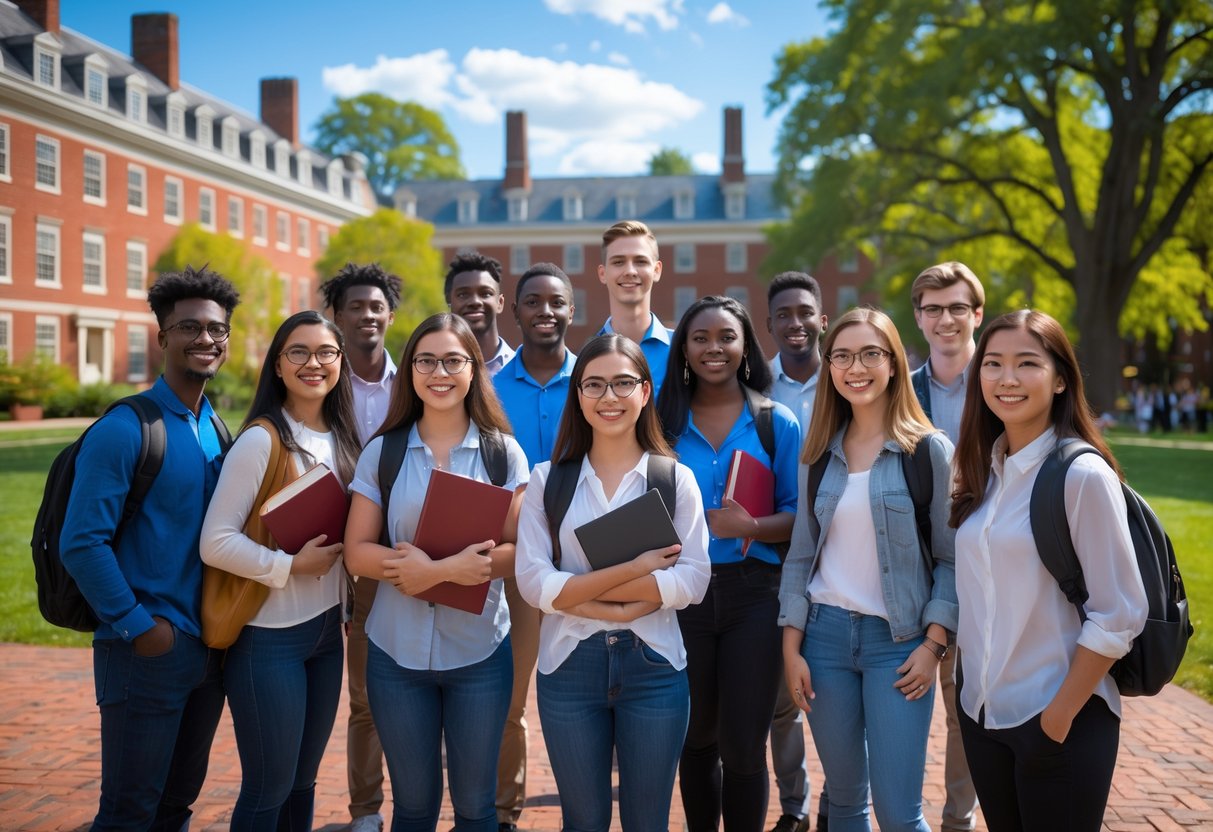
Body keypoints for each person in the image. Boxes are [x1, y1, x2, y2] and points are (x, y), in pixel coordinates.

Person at [949, 310, 1148, 831]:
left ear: (1061, 379)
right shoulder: (981, 470)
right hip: (982, 715)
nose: (1006, 378)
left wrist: (1057, 718)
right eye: (992, 363)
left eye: (1027, 363)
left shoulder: (1081, 475)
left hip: (1058, 719)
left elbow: (1120, 613)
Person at [61, 265, 239, 831]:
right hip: (144, 649)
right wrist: (141, 628)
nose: (206, 339)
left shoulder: (217, 426)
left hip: (209, 651)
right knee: (127, 811)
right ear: (162, 337)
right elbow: (81, 542)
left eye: (217, 329)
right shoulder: (126, 428)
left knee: (175, 806)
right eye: (190, 327)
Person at [515, 333, 711, 831]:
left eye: (623, 383)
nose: (609, 397)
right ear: (577, 396)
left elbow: (693, 581)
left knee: (648, 823)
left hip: (655, 666)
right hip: (569, 668)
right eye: (594, 385)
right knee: (583, 823)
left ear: (645, 392)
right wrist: (637, 571)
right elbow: (534, 584)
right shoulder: (547, 481)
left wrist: (582, 590)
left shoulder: (673, 479)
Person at [345, 313, 530, 831]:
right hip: (395, 655)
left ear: (474, 369)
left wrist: (442, 571)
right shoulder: (385, 452)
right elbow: (357, 551)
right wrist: (431, 571)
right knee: (414, 808)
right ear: (410, 372)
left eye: (453, 360)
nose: (439, 372)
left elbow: (523, 550)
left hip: (479, 656)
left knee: (475, 809)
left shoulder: (502, 453)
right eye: (426, 360)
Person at [780, 307, 957, 832]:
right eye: (842, 355)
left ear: (895, 363)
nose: (856, 367)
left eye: (870, 354)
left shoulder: (927, 451)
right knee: (847, 806)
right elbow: (800, 558)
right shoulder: (818, 455)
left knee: (899, 814)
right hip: (824, 642)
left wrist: (933, 647)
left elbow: (950, 559)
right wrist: (790, 649)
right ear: (829, 366)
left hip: (899, 646)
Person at [200, 310, 360, 830]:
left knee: (303, 781)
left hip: (324, 634)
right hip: (268, 640)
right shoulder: (261, 441)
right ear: (277, 364)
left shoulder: (342, 437)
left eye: (326, 353)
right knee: (268, 787)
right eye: (299, 352)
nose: (314, 363)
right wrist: (289, 565)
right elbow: (215, 542)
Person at [657, 296, 801, 832]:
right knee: (695, 738)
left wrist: (752, 528)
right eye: (700, 338)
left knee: (744, 745)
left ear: (744, 346)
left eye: (726, 337)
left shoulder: (775, 422)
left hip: (754, 596)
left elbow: (798, 517)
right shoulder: (661, 423)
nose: (713, 348)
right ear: (684, 350)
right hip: (683, 594)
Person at [491, 262, 577, 832]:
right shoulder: (488, 390)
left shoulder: (598, 378)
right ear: (514, 311)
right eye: (533, 302)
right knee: (510, 704)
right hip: (517, 563)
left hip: (593, 559)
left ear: (572, 309)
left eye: (556, 301)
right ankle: (503, 813)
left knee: (582, 701)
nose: (545, 311)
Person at [321, 262, 403, 832]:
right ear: (337, 315)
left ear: (390, 316)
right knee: (363, 694)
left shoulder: (415, 382)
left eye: (376, 307)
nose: (367, 315)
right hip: (329, 550)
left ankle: (419, 801)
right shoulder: (319, 382)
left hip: (404, 549)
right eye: (356, 306)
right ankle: (366, 811)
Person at [908, 260, 983, 832]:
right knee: (903, 700)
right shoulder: (900, 392)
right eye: (933, 308)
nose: (946, 319)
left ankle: (959, 819)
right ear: (919, 318)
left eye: (957, 307)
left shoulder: (1004, 380)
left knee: (967, 707)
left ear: (976, 313)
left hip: (991, 570)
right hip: (918, 570)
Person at [764, 272, 828, 832]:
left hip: (841, 550)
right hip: (779, 551)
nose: (795, 323)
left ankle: (840, 795)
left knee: (837, 684)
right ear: (769, 325)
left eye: (804, 312)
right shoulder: (757, 388)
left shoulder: (850, 377)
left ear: (821, 320)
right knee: (782, 697)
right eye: (783, 314)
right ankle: (795, 805)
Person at [597, 220, 673, 391]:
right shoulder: (588, 356)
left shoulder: (683, 350)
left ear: (656, 270)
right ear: (603, 273)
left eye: (640, 261)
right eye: (618, 262)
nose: (630, 271)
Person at [446, 248, 515, 377]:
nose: (475, 301)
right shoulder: (435, 372)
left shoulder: (521, 370)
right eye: (463, 294)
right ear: (449, 302)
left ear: (500, 303)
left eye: (486, 293)